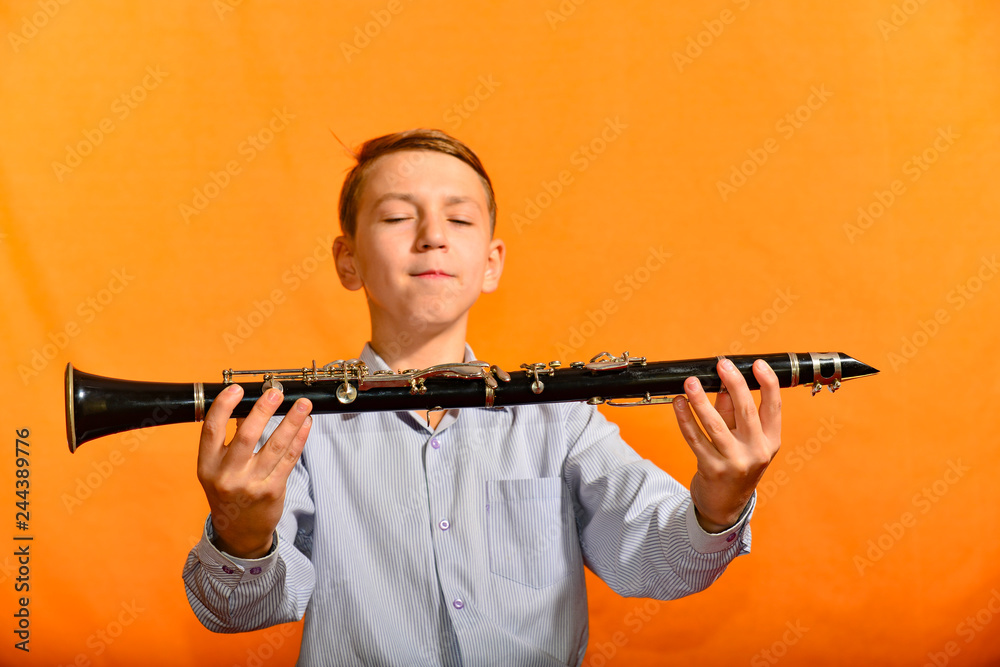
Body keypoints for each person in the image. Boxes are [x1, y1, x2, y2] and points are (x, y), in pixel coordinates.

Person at [182, 129, 782, 666]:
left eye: (461, 220)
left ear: (491, 263)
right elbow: (236, 612)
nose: (432, 237)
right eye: (397, 217)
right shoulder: (294, 430)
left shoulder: (561, 419)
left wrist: (719, 503)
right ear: (348, 260)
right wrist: (243, 536)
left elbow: (658, 562)